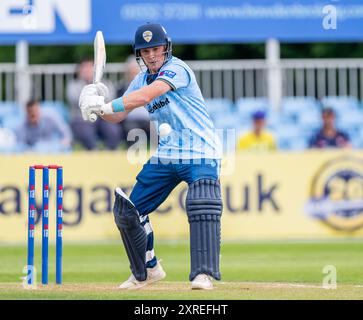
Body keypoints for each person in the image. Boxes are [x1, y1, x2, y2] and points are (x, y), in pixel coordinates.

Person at [79, 23, 223, 290]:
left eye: (156, 49)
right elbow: (118, 114)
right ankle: (148, 269)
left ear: (166, 48)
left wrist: (108, 104)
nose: (152, 55)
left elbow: (149, 94)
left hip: (201, 150)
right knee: (129, 211)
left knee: (202, 205)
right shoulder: (140, 79)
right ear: (139, 55)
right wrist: (95, 106)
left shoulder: (177, 69)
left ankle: (202, 274)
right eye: (146, 51)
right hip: (168, 153)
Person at [66, 58, 122, 150]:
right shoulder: (73, 85)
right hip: (82, 118)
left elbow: (111, 99)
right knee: (85, 131)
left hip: (103, 116)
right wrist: (96, 96)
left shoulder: (106, 83)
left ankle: (110, 153)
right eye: (84, 68)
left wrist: (91, 97)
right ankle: (94, 153)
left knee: (113, 130)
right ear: (80, 71)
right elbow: (76, 100)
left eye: (90, 67)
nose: (87, 70)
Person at [117, 55, 152, 147]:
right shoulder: (121, 88)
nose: (134, 74)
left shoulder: (150, 86)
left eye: (136, 70)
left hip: (149, 119)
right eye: (131, 71)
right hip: (130, 120)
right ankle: (135, 157)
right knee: (132, 129)